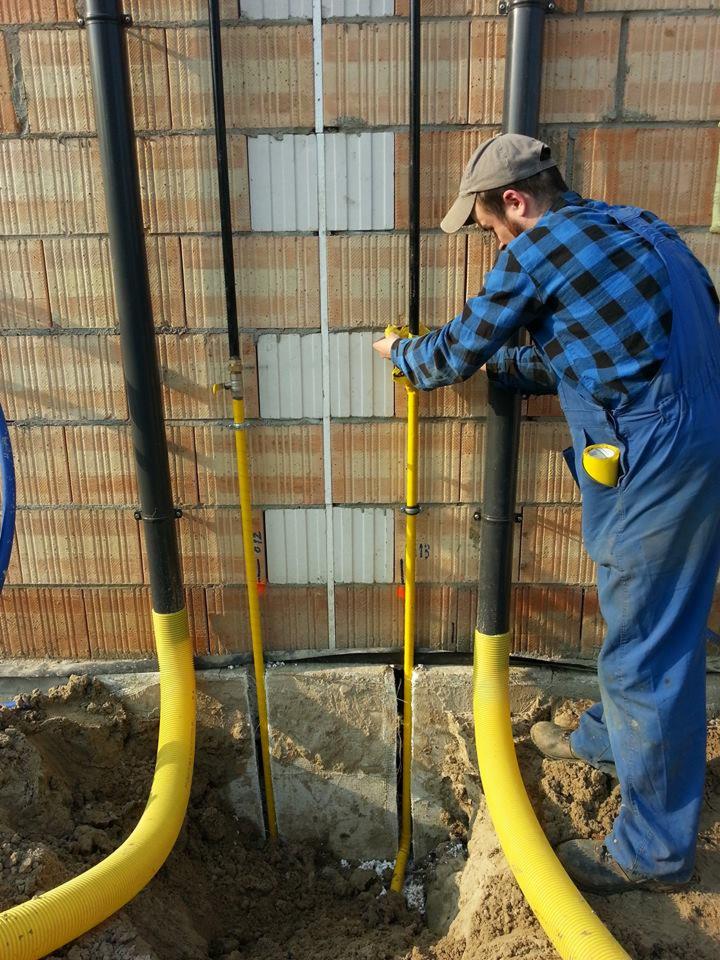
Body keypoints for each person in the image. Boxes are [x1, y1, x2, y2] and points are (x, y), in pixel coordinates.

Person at [373, 133, 720, 894]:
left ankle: (652, 854)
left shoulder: (537, 251)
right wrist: (521, 365)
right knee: (659, 618)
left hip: (658, 458)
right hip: (699, 434)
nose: (490, 239)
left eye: (488, 224)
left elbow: (451, 354)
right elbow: (614, 348)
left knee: (646, 646)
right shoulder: (640, 228)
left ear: (517, 202)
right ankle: (606, 739)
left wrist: (401, 352)